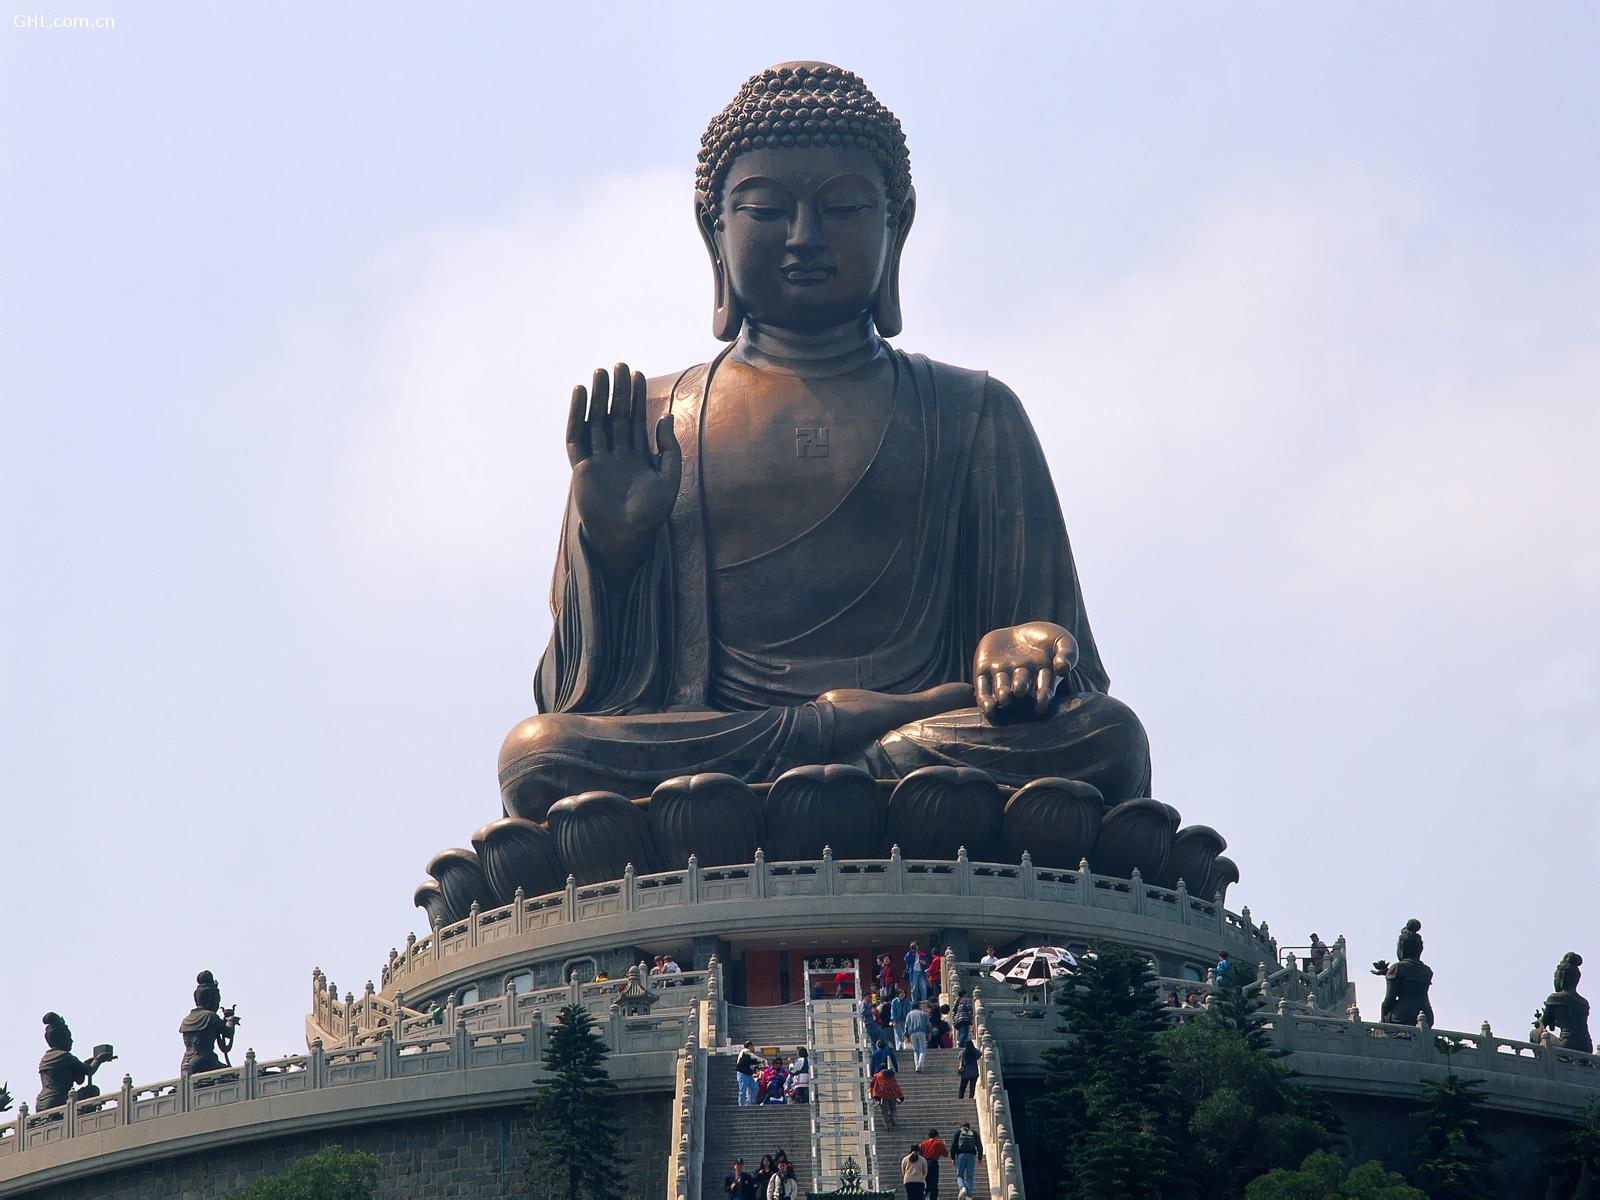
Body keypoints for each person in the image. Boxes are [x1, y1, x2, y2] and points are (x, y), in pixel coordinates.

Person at [951, 1121, 983, 1196]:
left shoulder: (958, 1133)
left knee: (959, 1175)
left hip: (961, 1155)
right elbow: (979, 1146)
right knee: (970, 1176)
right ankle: (969, 1195)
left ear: (961, 1126)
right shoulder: (974, 1133)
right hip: (971, 1156)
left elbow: (953, 1146)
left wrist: (953, 1158)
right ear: (969, 1126)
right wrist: (979, 1158)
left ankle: (962, 1188)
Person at [918, 1129, 949, 1200]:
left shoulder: (923, 1143)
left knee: (926, 1182)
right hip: (933, 1163)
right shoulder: (938, 1143)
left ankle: (923, 1196)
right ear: (936, 1136)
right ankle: (933, 1198)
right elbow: (945, 1154)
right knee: (934, 1183)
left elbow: (919, 1152)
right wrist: (944, 1145)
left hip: (924, 1163)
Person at [905, 1002, 932, 1070]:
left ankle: (917, 1066)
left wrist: (906, 1036)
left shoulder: (909, 1014)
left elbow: (906, 1026)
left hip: (912, 1033)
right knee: (922, 1050)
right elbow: (928, 1025)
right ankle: (920, 1064)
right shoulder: (923, 1014)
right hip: (921, 1032)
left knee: (915, 1050)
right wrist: (928, 1033)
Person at [736, 1040, 760, 1106]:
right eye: (752, 1046)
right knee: (742, 1091)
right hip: (742, 1074)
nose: (753, 1048)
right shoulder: (745, 1051)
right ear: (750, 1046)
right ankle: (741, 1105)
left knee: (755, 1088)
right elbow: (752, 1060)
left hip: (749, 1074)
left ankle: (748, 1103)